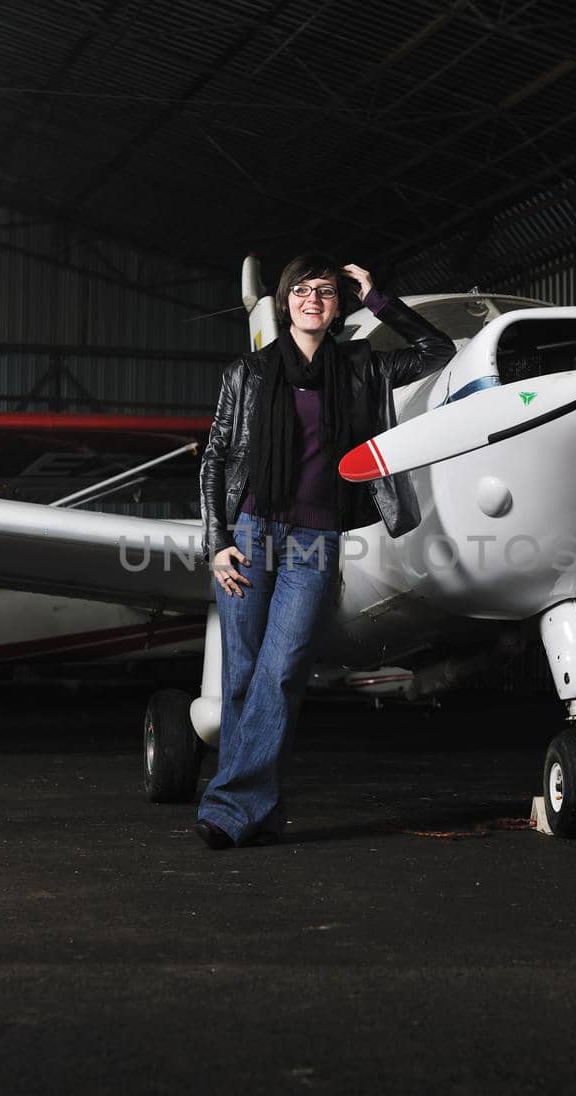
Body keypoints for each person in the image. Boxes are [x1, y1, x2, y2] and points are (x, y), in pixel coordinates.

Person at [195, 254, 456, 848]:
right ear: (286, 301)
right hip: (250, 534)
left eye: (327, 292)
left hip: (314, 540)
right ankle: (249, 811)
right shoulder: (248, 373)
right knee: (240, 677)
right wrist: (217, 543)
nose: (314, 299)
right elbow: (215, 458)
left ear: (338, 306)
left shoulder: (363, 366)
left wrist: (379, 299)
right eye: (303, 291)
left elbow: (437, 352)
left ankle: (229, 808)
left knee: (282, 669)